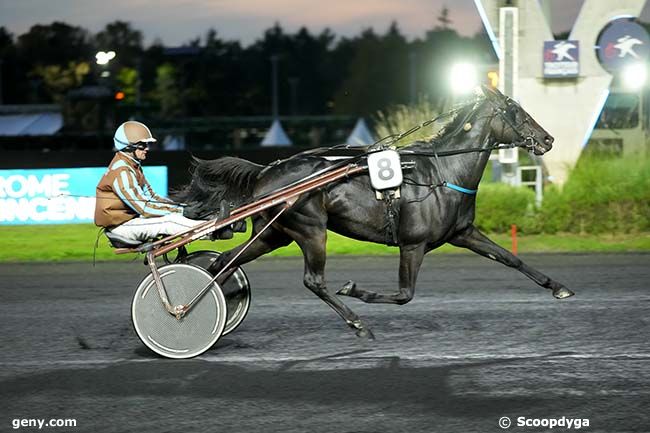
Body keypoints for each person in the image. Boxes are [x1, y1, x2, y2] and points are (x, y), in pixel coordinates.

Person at [94, 120, 226, 243]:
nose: (147, 148)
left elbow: (152, 197)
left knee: (175, 217)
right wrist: (180, 211)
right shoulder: (122, 171)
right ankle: (215, 230)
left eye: (146, 145)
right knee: (169, 223)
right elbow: (144, 207)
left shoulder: (132, 165)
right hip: (121, 228)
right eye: (142, 145)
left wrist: (181, 207)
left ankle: (221, 224)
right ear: (128, 147)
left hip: (130, 222)